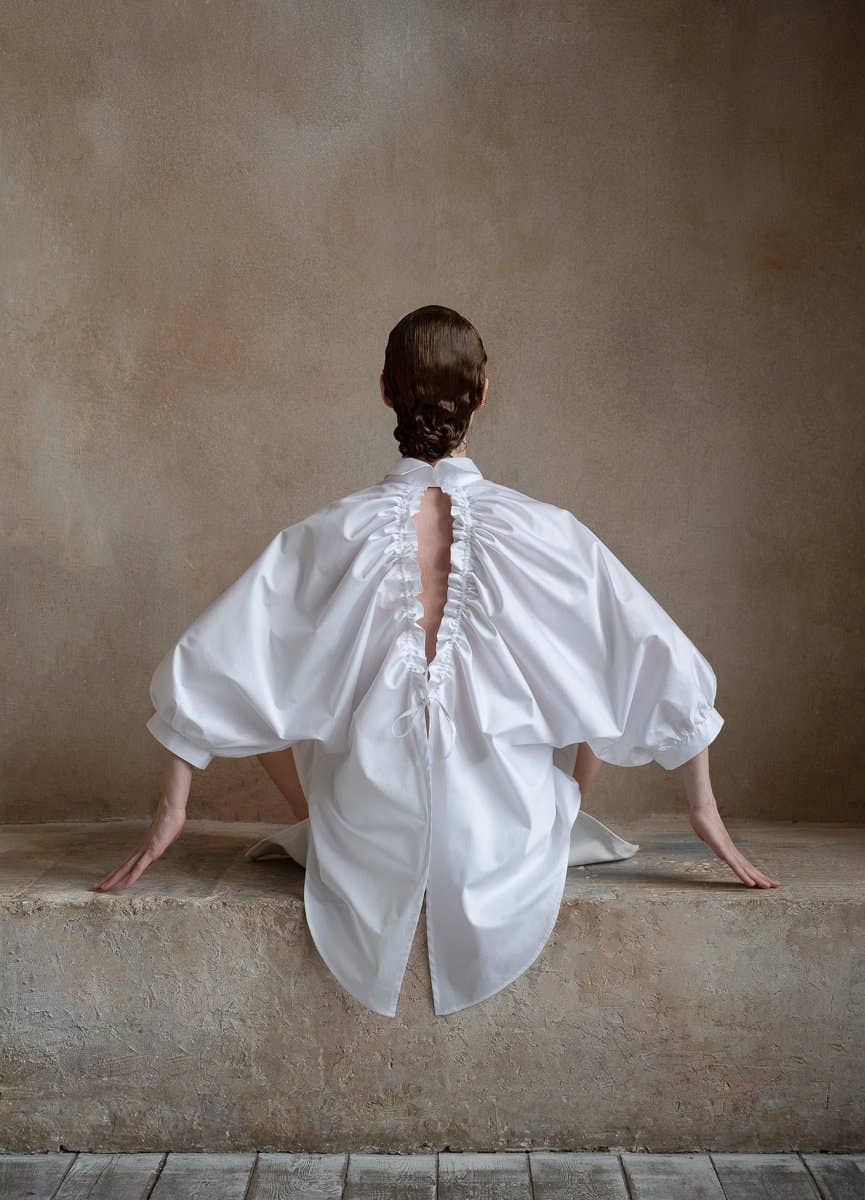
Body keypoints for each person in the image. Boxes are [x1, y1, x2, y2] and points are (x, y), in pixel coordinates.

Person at [92, 305, 779, 1018]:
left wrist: (174, 808)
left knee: (281, 675)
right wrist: (700, 808)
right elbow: (652, 658)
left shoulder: (329, 533)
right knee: (581, 670)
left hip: (364, 832)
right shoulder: (547, 532)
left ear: (385, 392)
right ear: (481, 394)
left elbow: (218, 663)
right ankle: (529, 812)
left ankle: (331, 818)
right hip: (501, 841)